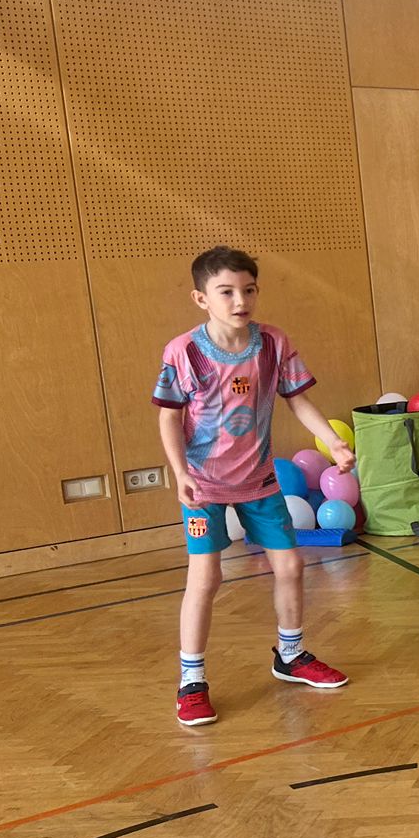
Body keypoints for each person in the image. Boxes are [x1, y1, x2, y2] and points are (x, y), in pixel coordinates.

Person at [154, 246, 353, 727]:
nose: (240, 300)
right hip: (204, 487)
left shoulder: (273, 343)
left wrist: (332, 443)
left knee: (290, 566)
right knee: (206, 579)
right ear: (201, 298)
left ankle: (291, 655)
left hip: (260, 482)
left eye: (249, 290)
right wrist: (181, 474)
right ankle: (191, 681)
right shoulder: (183, 352)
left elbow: (298, 400)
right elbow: (168, 418)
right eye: (226, 292)